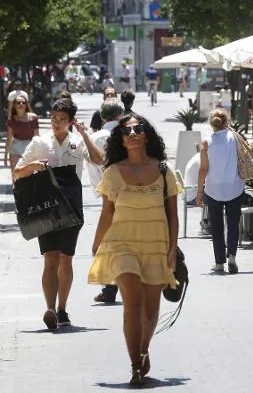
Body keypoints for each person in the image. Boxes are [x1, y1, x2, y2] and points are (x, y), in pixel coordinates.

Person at [88, 113, 179, 386]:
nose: (132, 134)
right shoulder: (113, 173)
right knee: (132, 302)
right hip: (122, 243)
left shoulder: (164, 170)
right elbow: (107, 213)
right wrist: (97, 243)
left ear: (146, 136)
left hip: (156, 244)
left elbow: (173, 216)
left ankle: (143, 347)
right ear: (122, 140)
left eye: (138, 129)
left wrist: (173, 248)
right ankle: (136, 365)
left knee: (151, 310)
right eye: (127, 131)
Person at [14, 98, 104, 329]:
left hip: (72, 207)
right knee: (50, 257)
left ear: (70, 121)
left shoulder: (78, 142)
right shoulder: (39, 142)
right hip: (46, 208)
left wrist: (85, 135)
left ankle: (62, 307)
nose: (55, 122)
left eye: (61, 119)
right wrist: (35, 167)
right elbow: (17, 172)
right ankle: (50, 308)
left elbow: (98, 160)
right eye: (53, 117)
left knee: (66, 258)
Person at [196, 108, 245, 274]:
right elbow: (249, 153)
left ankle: (219, 262)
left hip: (213, 188)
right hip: (235, 187)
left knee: (216, 227)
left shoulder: (205, 142)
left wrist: (199, 192)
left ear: (212, 124)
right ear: (227, 122)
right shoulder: (236, 138)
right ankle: (231, 255)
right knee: (233, 224)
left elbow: (203, 169)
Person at [87, 98, 125, 304]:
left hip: (107, 195)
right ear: (121, 114)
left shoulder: (95, 137)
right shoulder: (129, 133)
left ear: (102, 117)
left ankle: (110, 287)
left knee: (109, 241)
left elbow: (91, 165)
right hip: (130, 193)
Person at [4, 94, 38, 178]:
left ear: (26, 105)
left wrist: (38, 152)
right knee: (15, 174)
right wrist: (5, 155)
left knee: (28, 175)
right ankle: (16, 190)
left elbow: (37, 136)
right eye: (18, 102)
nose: (21, 104)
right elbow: (9, 138)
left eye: (23, 102)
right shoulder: (11, 119)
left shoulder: (33, 117)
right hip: (15, 146)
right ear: (14, 105)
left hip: (29, 146)